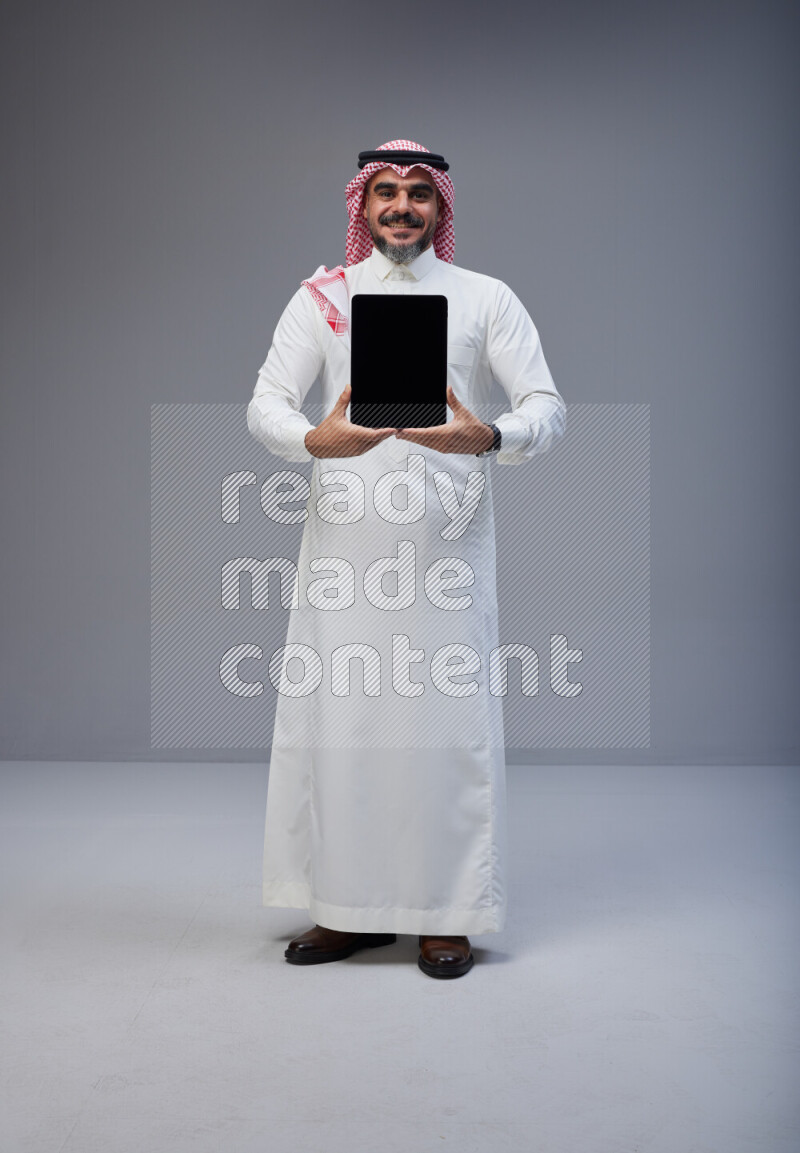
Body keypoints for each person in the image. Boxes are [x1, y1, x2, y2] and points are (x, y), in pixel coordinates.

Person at [247, 139, 565, 978]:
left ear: (440, 208)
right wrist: (313, 438)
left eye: (417, 194)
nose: (400, 207)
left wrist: (490, 435)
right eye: (384, 192)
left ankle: (445, 914)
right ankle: (347, 911)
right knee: (345, 725)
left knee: (443, 728)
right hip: (346, 542)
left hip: (445, 545)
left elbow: (547, 406)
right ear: (362, 204)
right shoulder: (324, 296)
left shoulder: (485, 298)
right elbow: (266, 406)